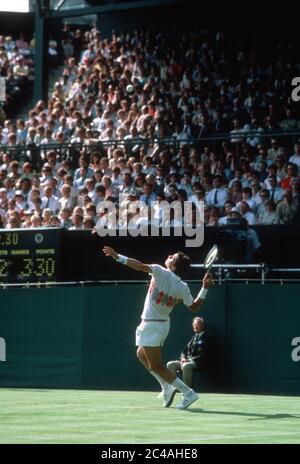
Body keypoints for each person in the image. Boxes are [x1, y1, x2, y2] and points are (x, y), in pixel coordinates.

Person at [103, 246, 213, 410]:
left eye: (172, 256)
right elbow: (195, 307)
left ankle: (188, 393)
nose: (169, 255)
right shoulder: (182, 287)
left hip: (153, 325)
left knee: (156, 366)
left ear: (173, 266)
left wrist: (117, 256)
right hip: (155, 324)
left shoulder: (160, 271)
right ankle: (167, 387)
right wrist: (204, 288)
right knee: (141, 354)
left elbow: (139, 266)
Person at [166, 317, 208, 389]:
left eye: (197, 324)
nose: (195, 326)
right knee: (170, 364)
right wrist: (183, 358)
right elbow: (184, 351)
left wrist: (189, 360)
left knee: (186, 365)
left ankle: (187, 390)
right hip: (187, 361)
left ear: (202, 326)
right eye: (193, 324)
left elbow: (204, 355)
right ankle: (173, 388)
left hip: (199, 362)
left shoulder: (207, 338)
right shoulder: (194, 337)